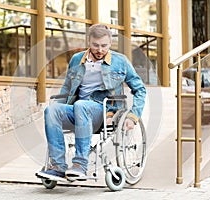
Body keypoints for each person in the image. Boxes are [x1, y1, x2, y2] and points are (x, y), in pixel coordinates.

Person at [36, 24, 146, 181]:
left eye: (104, 46)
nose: (100, 50)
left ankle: (80, 165)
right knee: (51, 110)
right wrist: (58, 108)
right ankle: (57, 167)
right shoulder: (76, 60)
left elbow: (140, 89)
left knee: (81, 105)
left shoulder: (120, 61)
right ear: (89, 41)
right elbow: (66, 89)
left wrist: (133, 116)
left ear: (110, 43)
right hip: (78, 111)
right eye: (95, 45)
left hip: (104, 112)